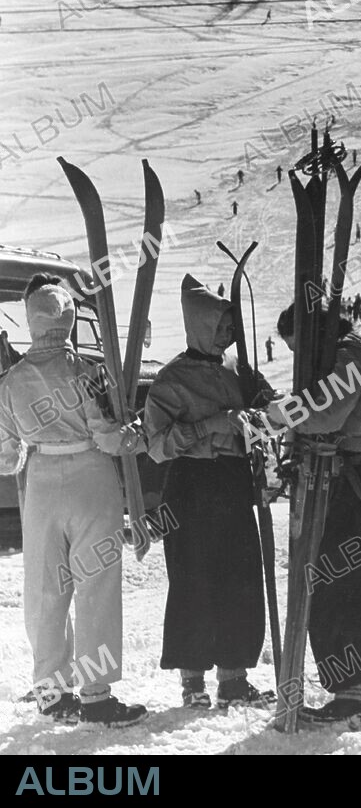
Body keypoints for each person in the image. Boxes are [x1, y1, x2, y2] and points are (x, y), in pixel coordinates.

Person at [0, 275, 147, 727]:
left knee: (47, 589)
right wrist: (133, 435)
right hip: (91, 479)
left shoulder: (12, 379)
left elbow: (6, 457)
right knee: (96, 585)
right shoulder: (87, 372)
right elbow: (107, 437)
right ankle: (97, 696)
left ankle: (51, 691)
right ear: (67, 319)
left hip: (41, 482)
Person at [268, 305, 361, 724]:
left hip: (354, 484)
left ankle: (354, 690)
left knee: (336, 584)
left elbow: (323, 414)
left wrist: (275, 415)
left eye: (298, 349)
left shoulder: (348, 361)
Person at [144, 276, 274, 711]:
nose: (229, 333)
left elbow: (269, 412)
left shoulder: (239, 369)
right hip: (190, 486)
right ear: (200, 325)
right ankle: (193, 683)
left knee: (239, 578)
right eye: (221, 325)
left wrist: (259, 414)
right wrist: (208, 426)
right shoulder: (171, 378)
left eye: (231, 326)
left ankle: (234, 680)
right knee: (192, 580)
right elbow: (157, 445)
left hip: (233, 483)